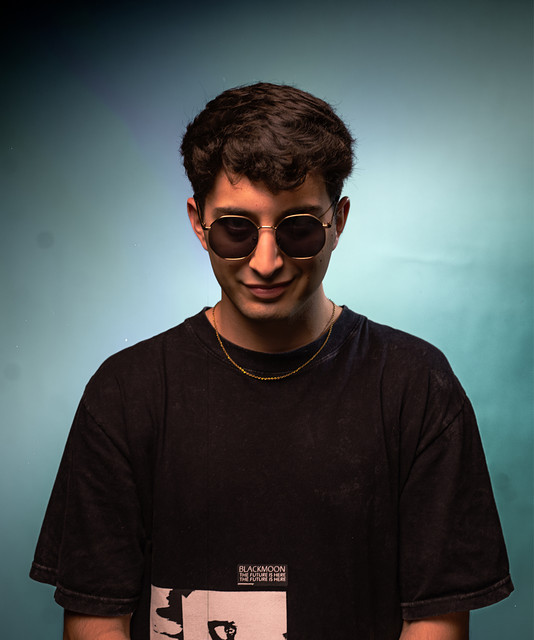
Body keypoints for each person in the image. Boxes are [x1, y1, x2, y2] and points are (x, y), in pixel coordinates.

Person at [30, 82, 513, 640]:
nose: (266, 262)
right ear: (198, 223)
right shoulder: (125, 393)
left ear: (339, 221)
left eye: (298, 228)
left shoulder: (417, 387)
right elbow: (97, 622)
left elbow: (436, 624)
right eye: (236, 230)